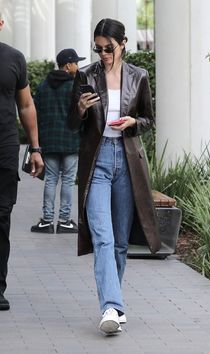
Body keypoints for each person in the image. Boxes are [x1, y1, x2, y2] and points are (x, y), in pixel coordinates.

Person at [69, 18, 161, 335]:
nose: (104, 54)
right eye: (98, 49)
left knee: (120, 241)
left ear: (123, 43)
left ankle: (114, 303)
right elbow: (72, 123)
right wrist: (80, 108)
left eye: (109, 48)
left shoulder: (139, 76)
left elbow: (149, 119)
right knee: (103, 237)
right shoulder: (85, 75)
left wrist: (133, 121)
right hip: (96, 160)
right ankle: (111, 306)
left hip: (127, 159)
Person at [0, 14, 44, 311]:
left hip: (4, 149)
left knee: (1, 218)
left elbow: (26, 105)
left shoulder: (14, 58)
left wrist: (36, 148)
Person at [31, 49, 85, 234]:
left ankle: (46, 221)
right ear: (68, 65)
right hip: (70, 141)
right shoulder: (74, 87)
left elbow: (35, 114)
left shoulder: (43, 86)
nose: (78, 66)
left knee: (51, 180)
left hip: (49, 142)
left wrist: (35, 144)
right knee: (68, 181)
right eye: (76, 63)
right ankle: (64, 221)